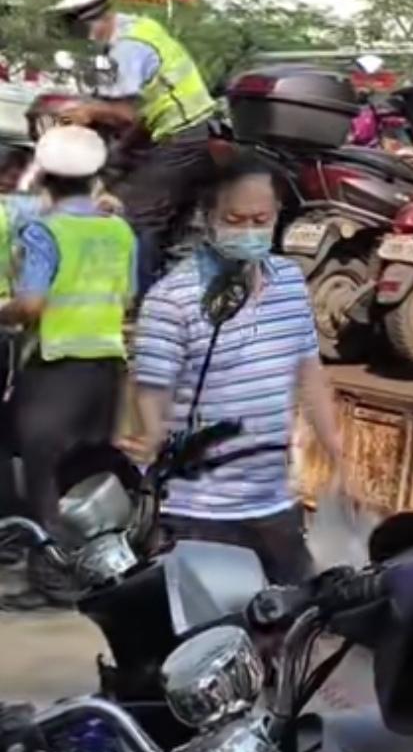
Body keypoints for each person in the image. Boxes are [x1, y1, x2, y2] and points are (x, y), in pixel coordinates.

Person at [133, 154, 343, 583]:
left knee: (294, 628)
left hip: (273, 504)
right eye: (235, 219)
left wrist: (336, 447)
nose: (249, 230)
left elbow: (308, 369)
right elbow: (150, 397)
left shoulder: (288, 280)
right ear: (208, 219)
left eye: (260, 219)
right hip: (197, 512)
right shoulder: (170, 300)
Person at [0, 125, 136, 528]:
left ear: (43, 178)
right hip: (108, 368)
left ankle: (46, 559)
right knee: (85, 470)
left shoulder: (46, 231)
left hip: (55, 366)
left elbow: (32, 304)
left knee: (42, 480)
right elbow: (127, 296)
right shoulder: (119, 230)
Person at [51, 0, 216, 290]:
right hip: (174, 132)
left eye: (79, 27)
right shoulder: (137, 27)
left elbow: (125, 113)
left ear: (97, 20)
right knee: (155, 217)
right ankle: (160, 285)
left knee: (134, 216)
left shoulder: (128, 49)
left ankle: (137, 303)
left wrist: (88, 113)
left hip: (180, 133)